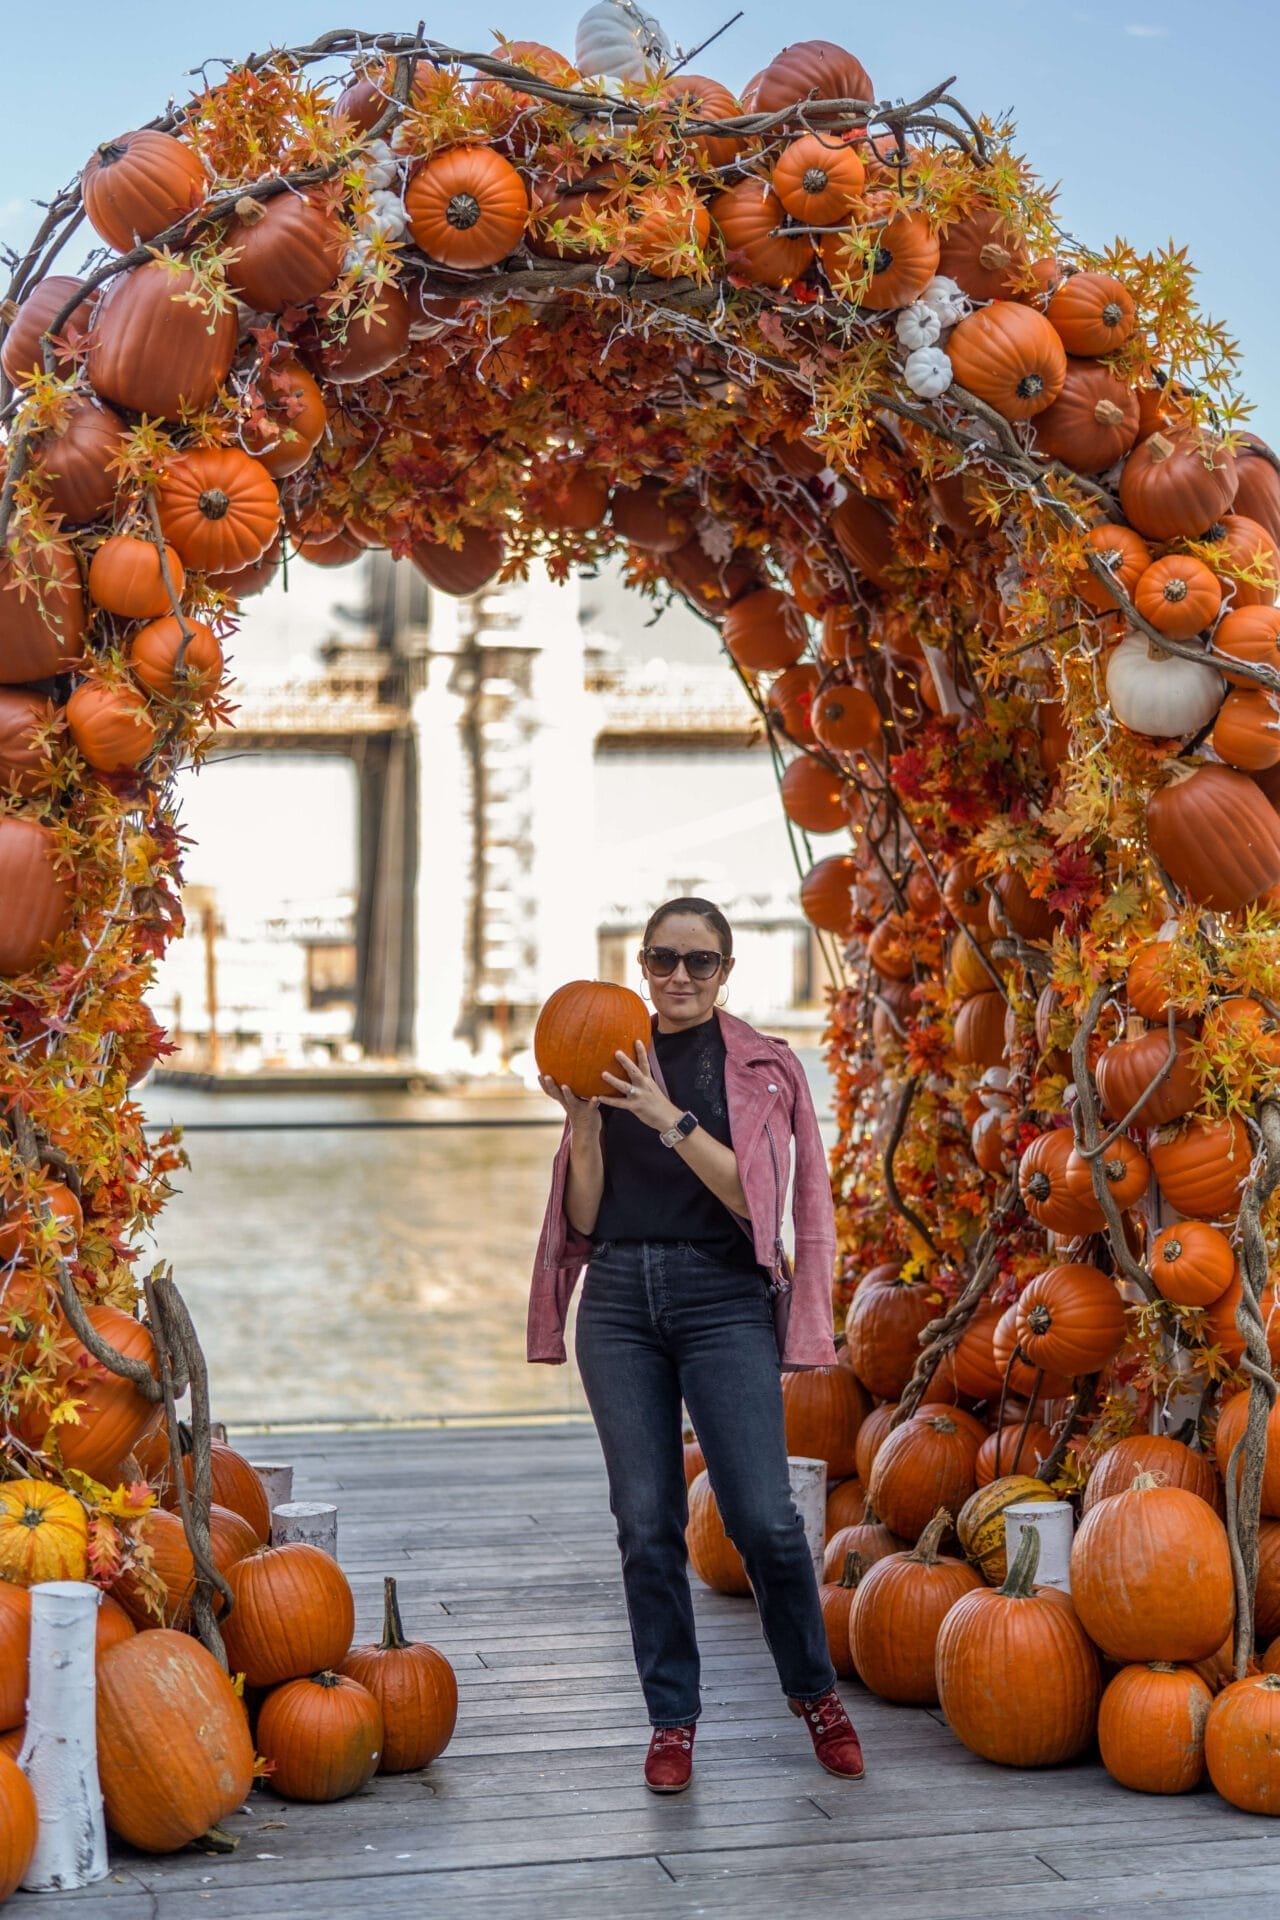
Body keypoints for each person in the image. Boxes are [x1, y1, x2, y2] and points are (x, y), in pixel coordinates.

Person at [528, 896, 864, 1794]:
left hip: (722, 1300)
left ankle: (815, 1694)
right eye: (663, 959)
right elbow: (587, 1220)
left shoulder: (760, 1068)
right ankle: (671, 1721)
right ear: (641, 964)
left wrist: (666, 1116)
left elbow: (761, 1209)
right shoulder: (601, 1048)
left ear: (725, 973)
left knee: (763, 1518)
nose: (679, 976)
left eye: (699, 962)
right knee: (646, 1524)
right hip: (621, 1304)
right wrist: (590, 1126)